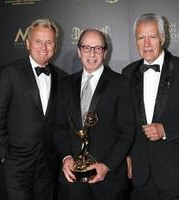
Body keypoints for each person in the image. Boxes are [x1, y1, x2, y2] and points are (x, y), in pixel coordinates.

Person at [122, 13, 179, 200]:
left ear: (163, 38)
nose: (146, 44)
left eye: (152, 37)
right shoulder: (128, 73)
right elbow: (127, 120)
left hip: (176, 173)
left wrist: (165, 129)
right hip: (141, 173)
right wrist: (128, 154)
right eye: (141, 38)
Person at [0, 18, 67, 200]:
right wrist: (4, 156)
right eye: (38, 41)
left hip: (48, 163)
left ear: (55, 46)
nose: (44, 47)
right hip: (17, 163)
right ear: (28, 43)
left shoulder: (62, 78)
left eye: (49, 42)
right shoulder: (10, 73)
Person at [54, 29, 135, 200]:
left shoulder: (121, 84)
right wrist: (66, 157)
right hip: (73, 181)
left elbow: (127, 131)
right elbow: (59, 127)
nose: (92, 53)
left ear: (105, 53)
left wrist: (107, 165)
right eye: (86, 48)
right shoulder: (64, 85)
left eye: (98, 48)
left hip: (109, 182)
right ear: (79, 51)